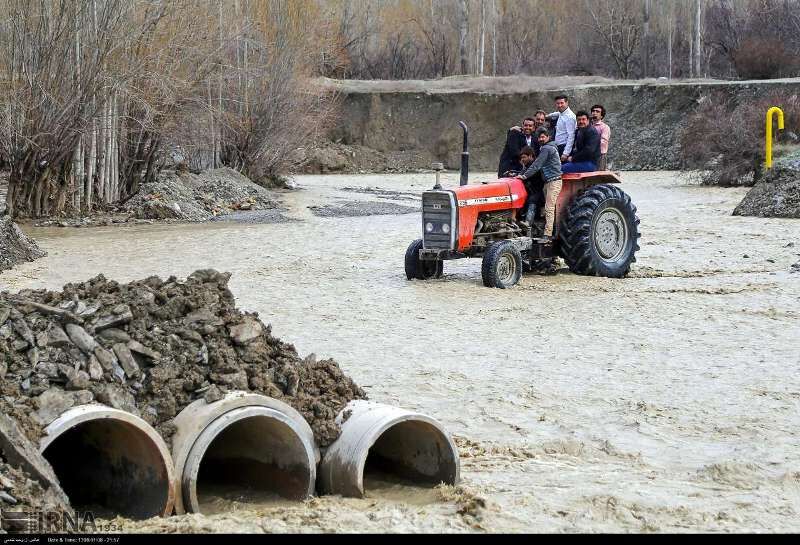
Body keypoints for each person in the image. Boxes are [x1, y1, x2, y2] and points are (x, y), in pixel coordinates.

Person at [515, 128, 562, 240]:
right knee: (545, 208)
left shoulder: (547, 148)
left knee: (549, 208)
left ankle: (547, 235)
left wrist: (524, 176)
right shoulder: (545, 148)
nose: (541, 139)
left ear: (548, 137)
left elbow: (537, 165)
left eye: (543, 137)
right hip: (548, 182)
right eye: (539, 137)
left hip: (553, 181)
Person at [548, 95, 577, 161]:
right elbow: (557, 113)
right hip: (558, 146)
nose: (560, 105)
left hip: (564, 147)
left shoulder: (570, 117)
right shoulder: (562, 113)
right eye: (558, 103)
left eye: (562, 103)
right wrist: (547, 116)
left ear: (567, 103)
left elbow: (571, 136)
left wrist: (566, 153)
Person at [590, 104, 611, 170]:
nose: (594, 113)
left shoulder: (605, 127)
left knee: (599, 173)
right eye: (593, 111)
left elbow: (603, 142)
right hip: (588, 154)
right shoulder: (587, 125)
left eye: (597, 111)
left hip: (600, 155)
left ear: (602, 116)